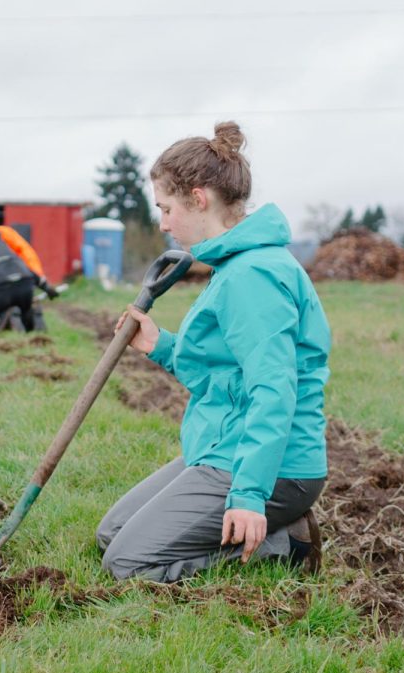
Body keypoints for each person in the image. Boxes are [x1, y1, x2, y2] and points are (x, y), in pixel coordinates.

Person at [96, 121, 329, 582]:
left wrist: (248, 497)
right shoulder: (235, 265)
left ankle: (286, 543)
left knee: (127, 564)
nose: (162, 223)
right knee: (113, 533)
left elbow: (273, 389)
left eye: (165, 208)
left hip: (275, 467)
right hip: (227, 445)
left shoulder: (251, 275)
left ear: (198, 199)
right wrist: (161, 345)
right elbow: (228, 374)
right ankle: (271, 525)